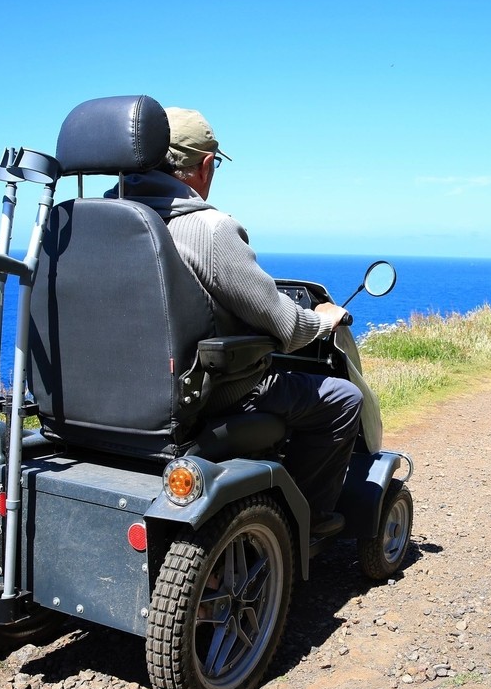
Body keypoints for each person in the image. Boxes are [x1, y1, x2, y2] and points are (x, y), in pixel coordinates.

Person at [106, 107, 363, 536]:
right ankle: (305, 519)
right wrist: (321, 320)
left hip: (99, 396)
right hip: (200, 400)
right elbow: (287, 328)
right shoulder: (209, 230)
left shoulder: (78, 221)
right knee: (341, 398)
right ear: (205, 166)